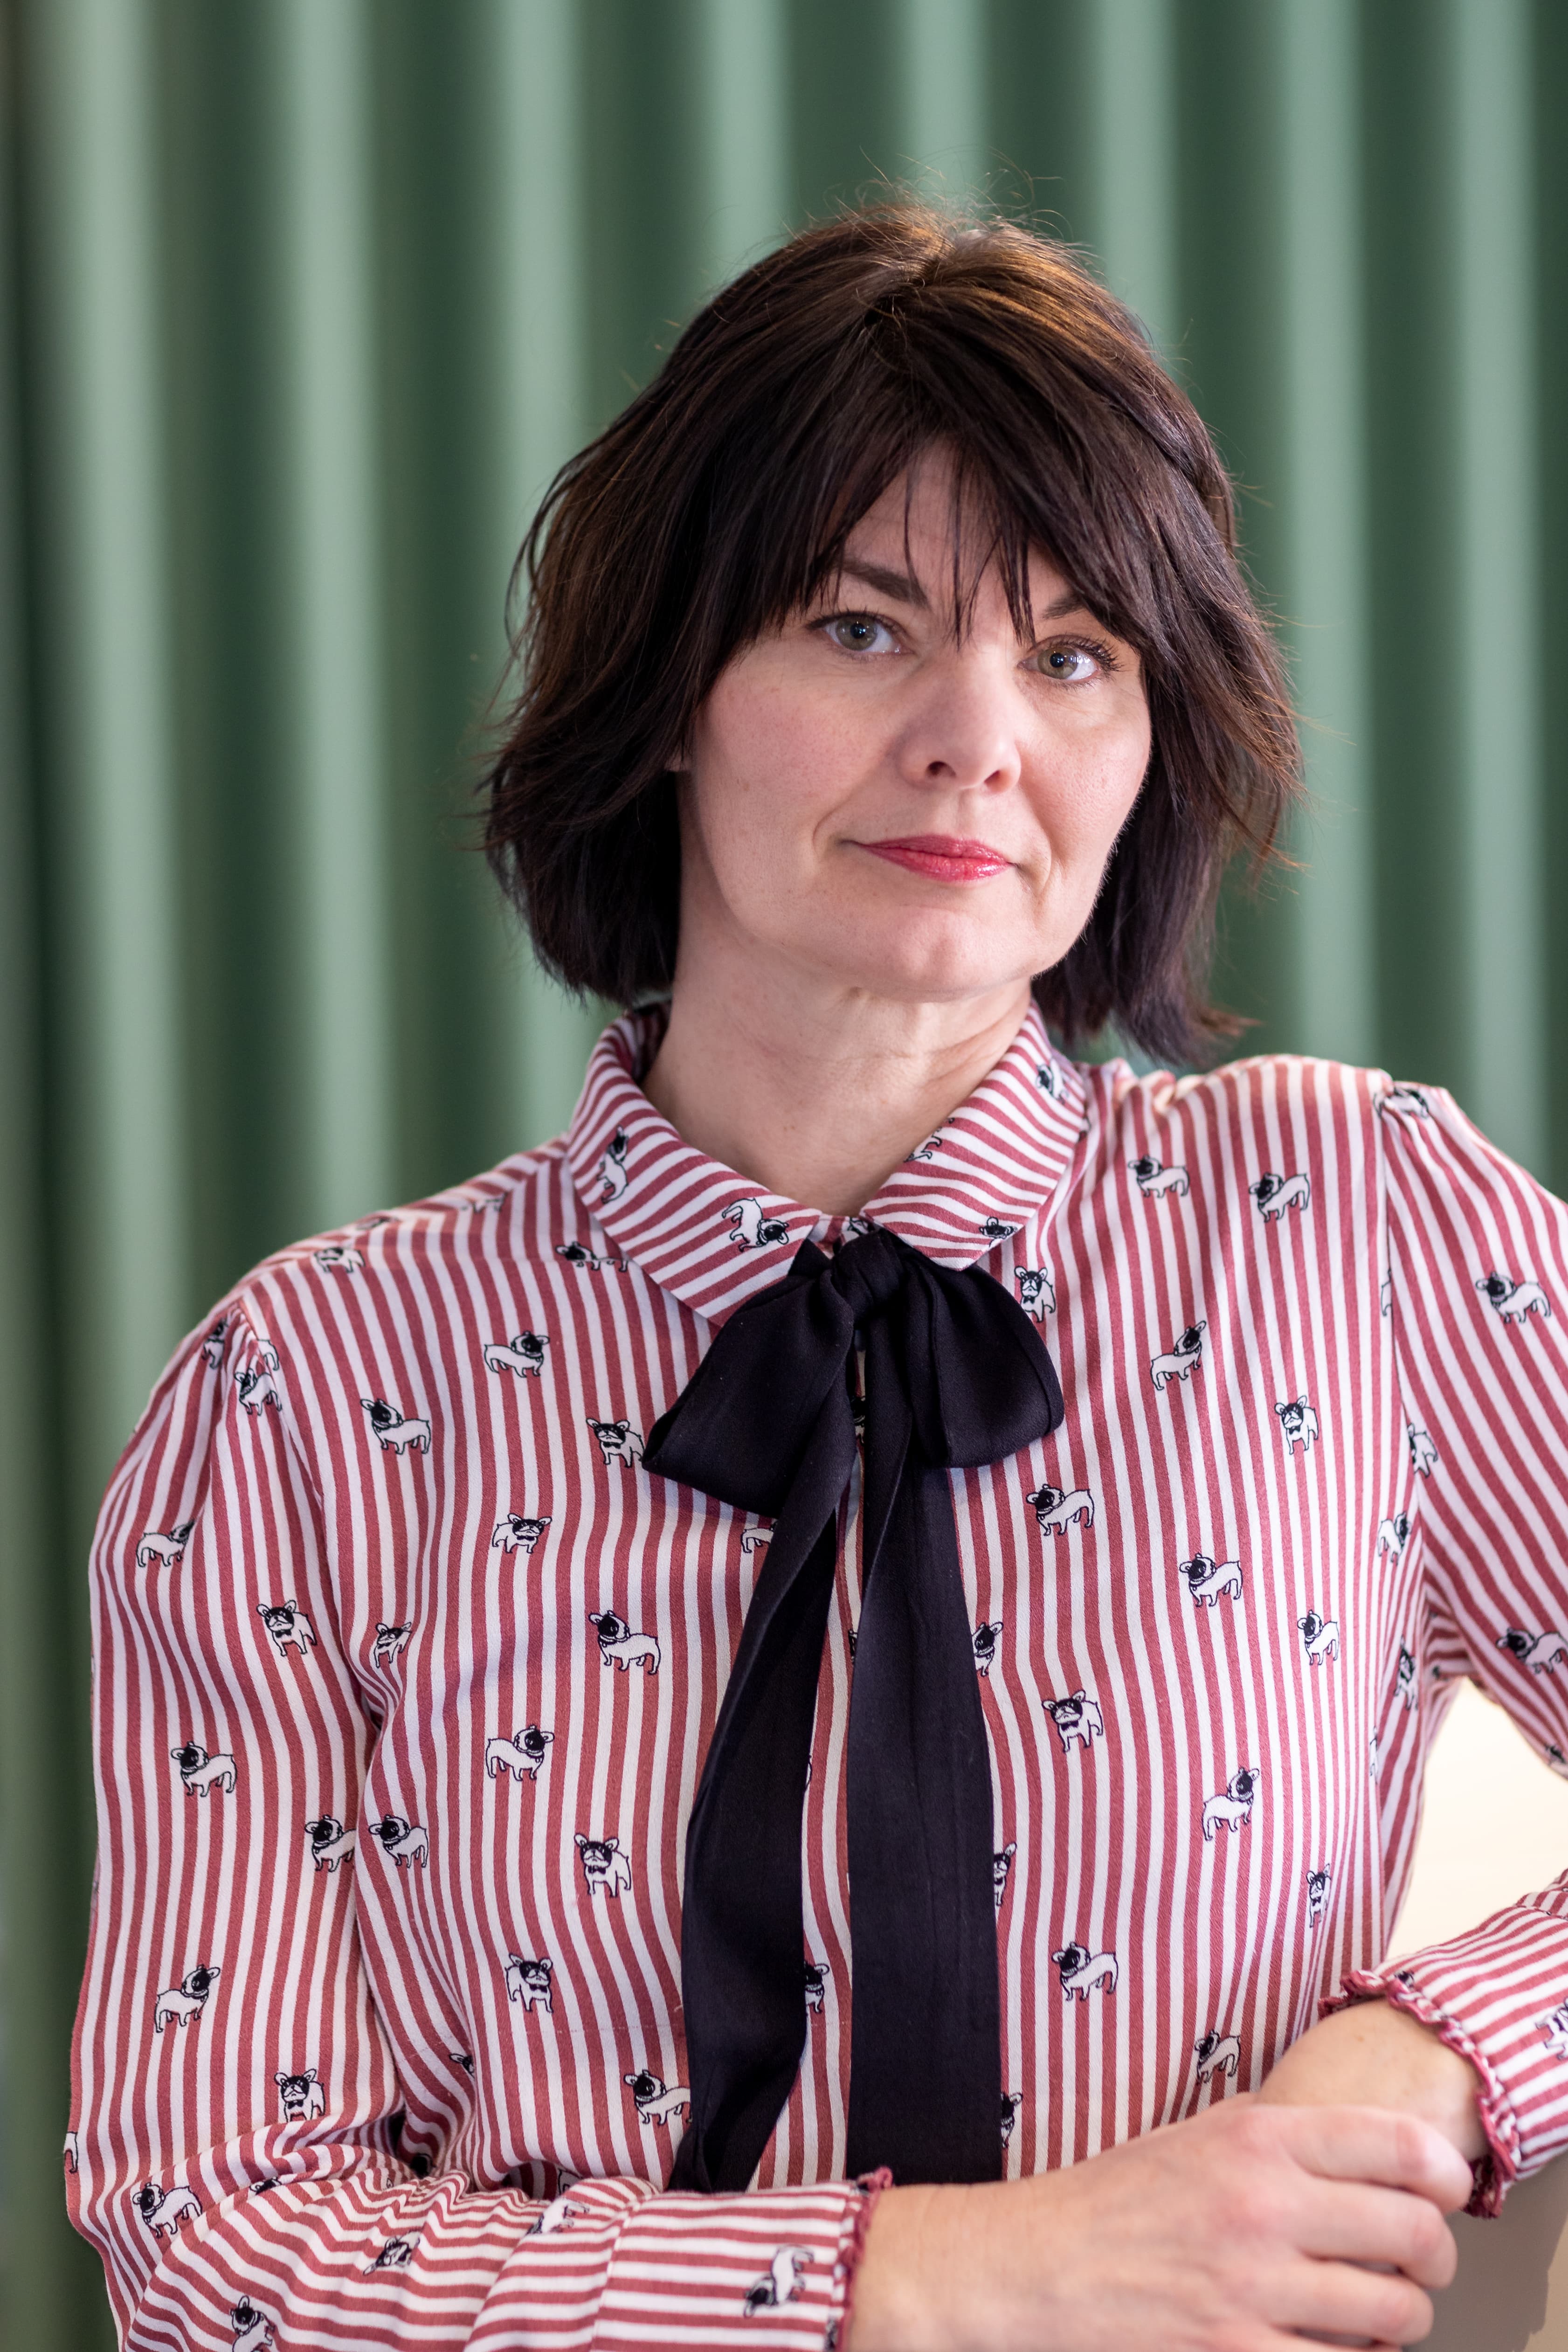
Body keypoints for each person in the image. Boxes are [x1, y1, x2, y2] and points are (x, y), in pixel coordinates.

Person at [67, 203, 1564, 2352]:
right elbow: (216, 2243)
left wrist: (1439, 2053)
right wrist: (930, 2281)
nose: (976, 737)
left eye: (1074, 653)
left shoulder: (1359, 1224)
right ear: (671, 682)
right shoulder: (312, 1393)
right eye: (862, 627)